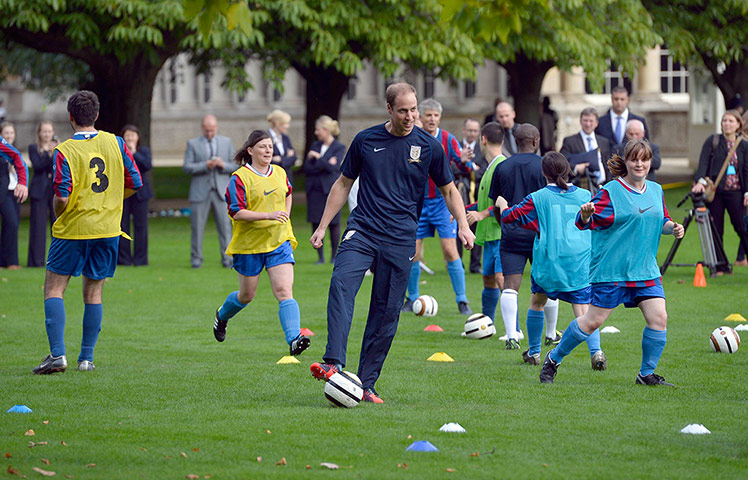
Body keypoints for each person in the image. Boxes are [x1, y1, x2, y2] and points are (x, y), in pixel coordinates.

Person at [308, 83, 474, 404]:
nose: (411, 116)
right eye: (404, 111)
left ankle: (366, 383)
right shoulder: (366, 140)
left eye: (414, 110)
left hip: (401, 237)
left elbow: (450, 190)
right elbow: (343, 184)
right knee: (342, 282)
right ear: (389, 109)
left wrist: (463, 226)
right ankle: (333, 363)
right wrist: (323, 226)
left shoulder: (428, 147)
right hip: (364, 229)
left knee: (386, 313)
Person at [539, 140, 684, 386]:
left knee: (659, 318)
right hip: (612, 271)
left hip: (645, 270)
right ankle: (553, 359)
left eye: (644, 159)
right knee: (592, 321)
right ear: (625, 162)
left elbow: (662, 220)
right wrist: (585, 215)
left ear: (650, 162)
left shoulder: (656, 190)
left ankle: (646, 374)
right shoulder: (611, 192)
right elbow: (585, 222)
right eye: (634, 159)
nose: (640, 164)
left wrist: (673, 228)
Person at [33, 90, 142, 374]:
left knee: (53, 288)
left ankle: (58, 355)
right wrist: (108, 204)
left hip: (73, 228)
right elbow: (135, 181)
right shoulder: (116, 143)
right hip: (107, 229)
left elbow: (62, 195)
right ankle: (86, 359)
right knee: (93, 293)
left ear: (70, 117)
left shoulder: (64, 151)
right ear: (96, 115)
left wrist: (61, 213)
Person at [499, 152, 605, 369]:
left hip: (549, 262)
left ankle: (535, 352)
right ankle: (596, 352)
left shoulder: (537, 197)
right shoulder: (585, 195)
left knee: (537, 303)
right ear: (567, 170)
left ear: (543, 172)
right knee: (584, 310)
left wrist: (502, 206)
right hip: (578, 263)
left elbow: (511, 217)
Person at [212, 130, 310, 356]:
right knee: (246, 295)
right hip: (249, 245)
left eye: (270, 147)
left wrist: (284, 215)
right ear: (250, 150)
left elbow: (288, 193)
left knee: (285, 290)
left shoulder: (279, 172)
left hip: (278, 241)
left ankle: (294, 339)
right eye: (263, 146)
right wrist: (268, 215)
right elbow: (236, 212)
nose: (268, 150)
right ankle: (221, 316)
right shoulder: (239, 178)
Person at [403, 98, 473, 316]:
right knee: (413, 252)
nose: (432, 119)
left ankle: (462, 300)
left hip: (442, 204)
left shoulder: (447, 139)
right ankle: (411, 297)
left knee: (450, 250)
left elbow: (467, 167)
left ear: (439, 118)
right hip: (417, 204)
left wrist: (463, 160)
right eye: (428, 115)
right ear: (420, 117)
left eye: (436, 115)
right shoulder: (411, 139)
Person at [488, 124, 547, 349]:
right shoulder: (544, 166)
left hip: (511, 233)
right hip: (539, 233)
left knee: (511, 285)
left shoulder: (502, 166)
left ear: (516, 140)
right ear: (535, 141)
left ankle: (512, 335)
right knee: (545, 284)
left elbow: (496, 204)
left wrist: (504, 223)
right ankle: (550, 333)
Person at [691, 109, 748, 269]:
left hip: (736, 192)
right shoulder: (713, 141)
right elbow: (703, 163)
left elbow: (746, 171)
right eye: (724, 120)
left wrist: (747, 192)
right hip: (716, 192)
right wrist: (700, 182)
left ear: (738, 125)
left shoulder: (744, 145)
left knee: (742, 227)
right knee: (716, 229)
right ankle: (720, 265)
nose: (727, 124)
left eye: (731, 121)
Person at [183, 114, 237, 269]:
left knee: (225, 226)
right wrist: (205, 165)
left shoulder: (226, 142)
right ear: (202, 128)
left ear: (216, 127)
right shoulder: (193, 144)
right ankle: (196, 259)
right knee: (197, 227)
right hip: (200, 191)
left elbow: (235, 166)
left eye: (212, 130)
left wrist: (222, 165)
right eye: (206, 130)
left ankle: (227, 259)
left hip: (221, 190)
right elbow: (187, 167)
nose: (209, 133)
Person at [465, 122, 505, 323]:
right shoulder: (491, 166)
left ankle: (512, 331)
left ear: (483, 140)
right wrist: (462, 211)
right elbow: (485, 201)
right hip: (489, 236)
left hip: (500, 235)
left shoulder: (502, 166)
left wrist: (481, 215)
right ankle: (486, 323)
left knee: (501, 280)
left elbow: (506, 201)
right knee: (488, 279)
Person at [303, 115, 346, 265]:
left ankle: (334, 256)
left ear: (326, 130)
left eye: (318, 129)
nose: (316, 132)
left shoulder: (339, 147)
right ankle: (320, 257)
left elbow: (335, 168)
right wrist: (325, 162)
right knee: (316, 222)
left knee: (334, 224)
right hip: (315, 189)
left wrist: (319, 159)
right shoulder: (315, 145)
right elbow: (307, 168)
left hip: (330, 190)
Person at [118, 124, 152, 266]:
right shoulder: (119, 151)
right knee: (122, 226)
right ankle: (123, 259)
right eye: (127, 136)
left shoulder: (143, 151)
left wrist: (133, 152)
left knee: (141, 226)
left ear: (138, 137)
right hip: (124, 192)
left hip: (141, 194)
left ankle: (140, 259)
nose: (130, 138)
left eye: (133, 135)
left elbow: (147, 165)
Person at [27, 121, 59, 267]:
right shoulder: (33, 148)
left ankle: (57, 259)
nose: (47, 134)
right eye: (44, 131)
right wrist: (48, 153)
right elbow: (38, 166)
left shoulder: (58, 149)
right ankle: (36, 261)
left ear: (53, 133)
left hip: (54, 192)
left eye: (49, 131)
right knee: (38, 227)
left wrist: (55, 152)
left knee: (57, 226)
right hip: (39, 191)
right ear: (39, 133)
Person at [560, 107, 612, 190]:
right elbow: (561, 163)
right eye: (585, 120)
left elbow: (609, 164)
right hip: (581, 186)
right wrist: (576, 168)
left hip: (603, 187)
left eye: (591, 121)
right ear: (580, 121)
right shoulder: (570, 141)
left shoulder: (604, 142)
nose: (588, 124)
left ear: (596, 123)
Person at [462, 118, 486, 273]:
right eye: (469, 130)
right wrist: (471, 168)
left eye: (475, 131)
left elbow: (483, 172)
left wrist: (467, 168)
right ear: (464, 130)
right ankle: (458, 263)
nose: (472, 133)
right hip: (460, 192)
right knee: (458, 225)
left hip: (477, 194)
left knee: (477, 228)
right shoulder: (457, 147)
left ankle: (475, 264)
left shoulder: (482, 150)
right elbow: (451, 168)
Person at [0, 122, 24, 269]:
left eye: (11, 133)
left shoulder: (16, 152)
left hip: (15, 192)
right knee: (12, 223)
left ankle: (5, 262)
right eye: (6, 133)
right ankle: (11, 262)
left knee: (11, 226)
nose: (9, 135)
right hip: (4, 192)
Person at [267, 110, 298, 183]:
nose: (288, 126)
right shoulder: (266, 137)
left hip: (287, 179)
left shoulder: (285, 138)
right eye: (286, 123)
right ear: (277, 123)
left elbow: (294, 157)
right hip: (273, 179)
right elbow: (269, 161)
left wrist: (280, 159)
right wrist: (287, 157)